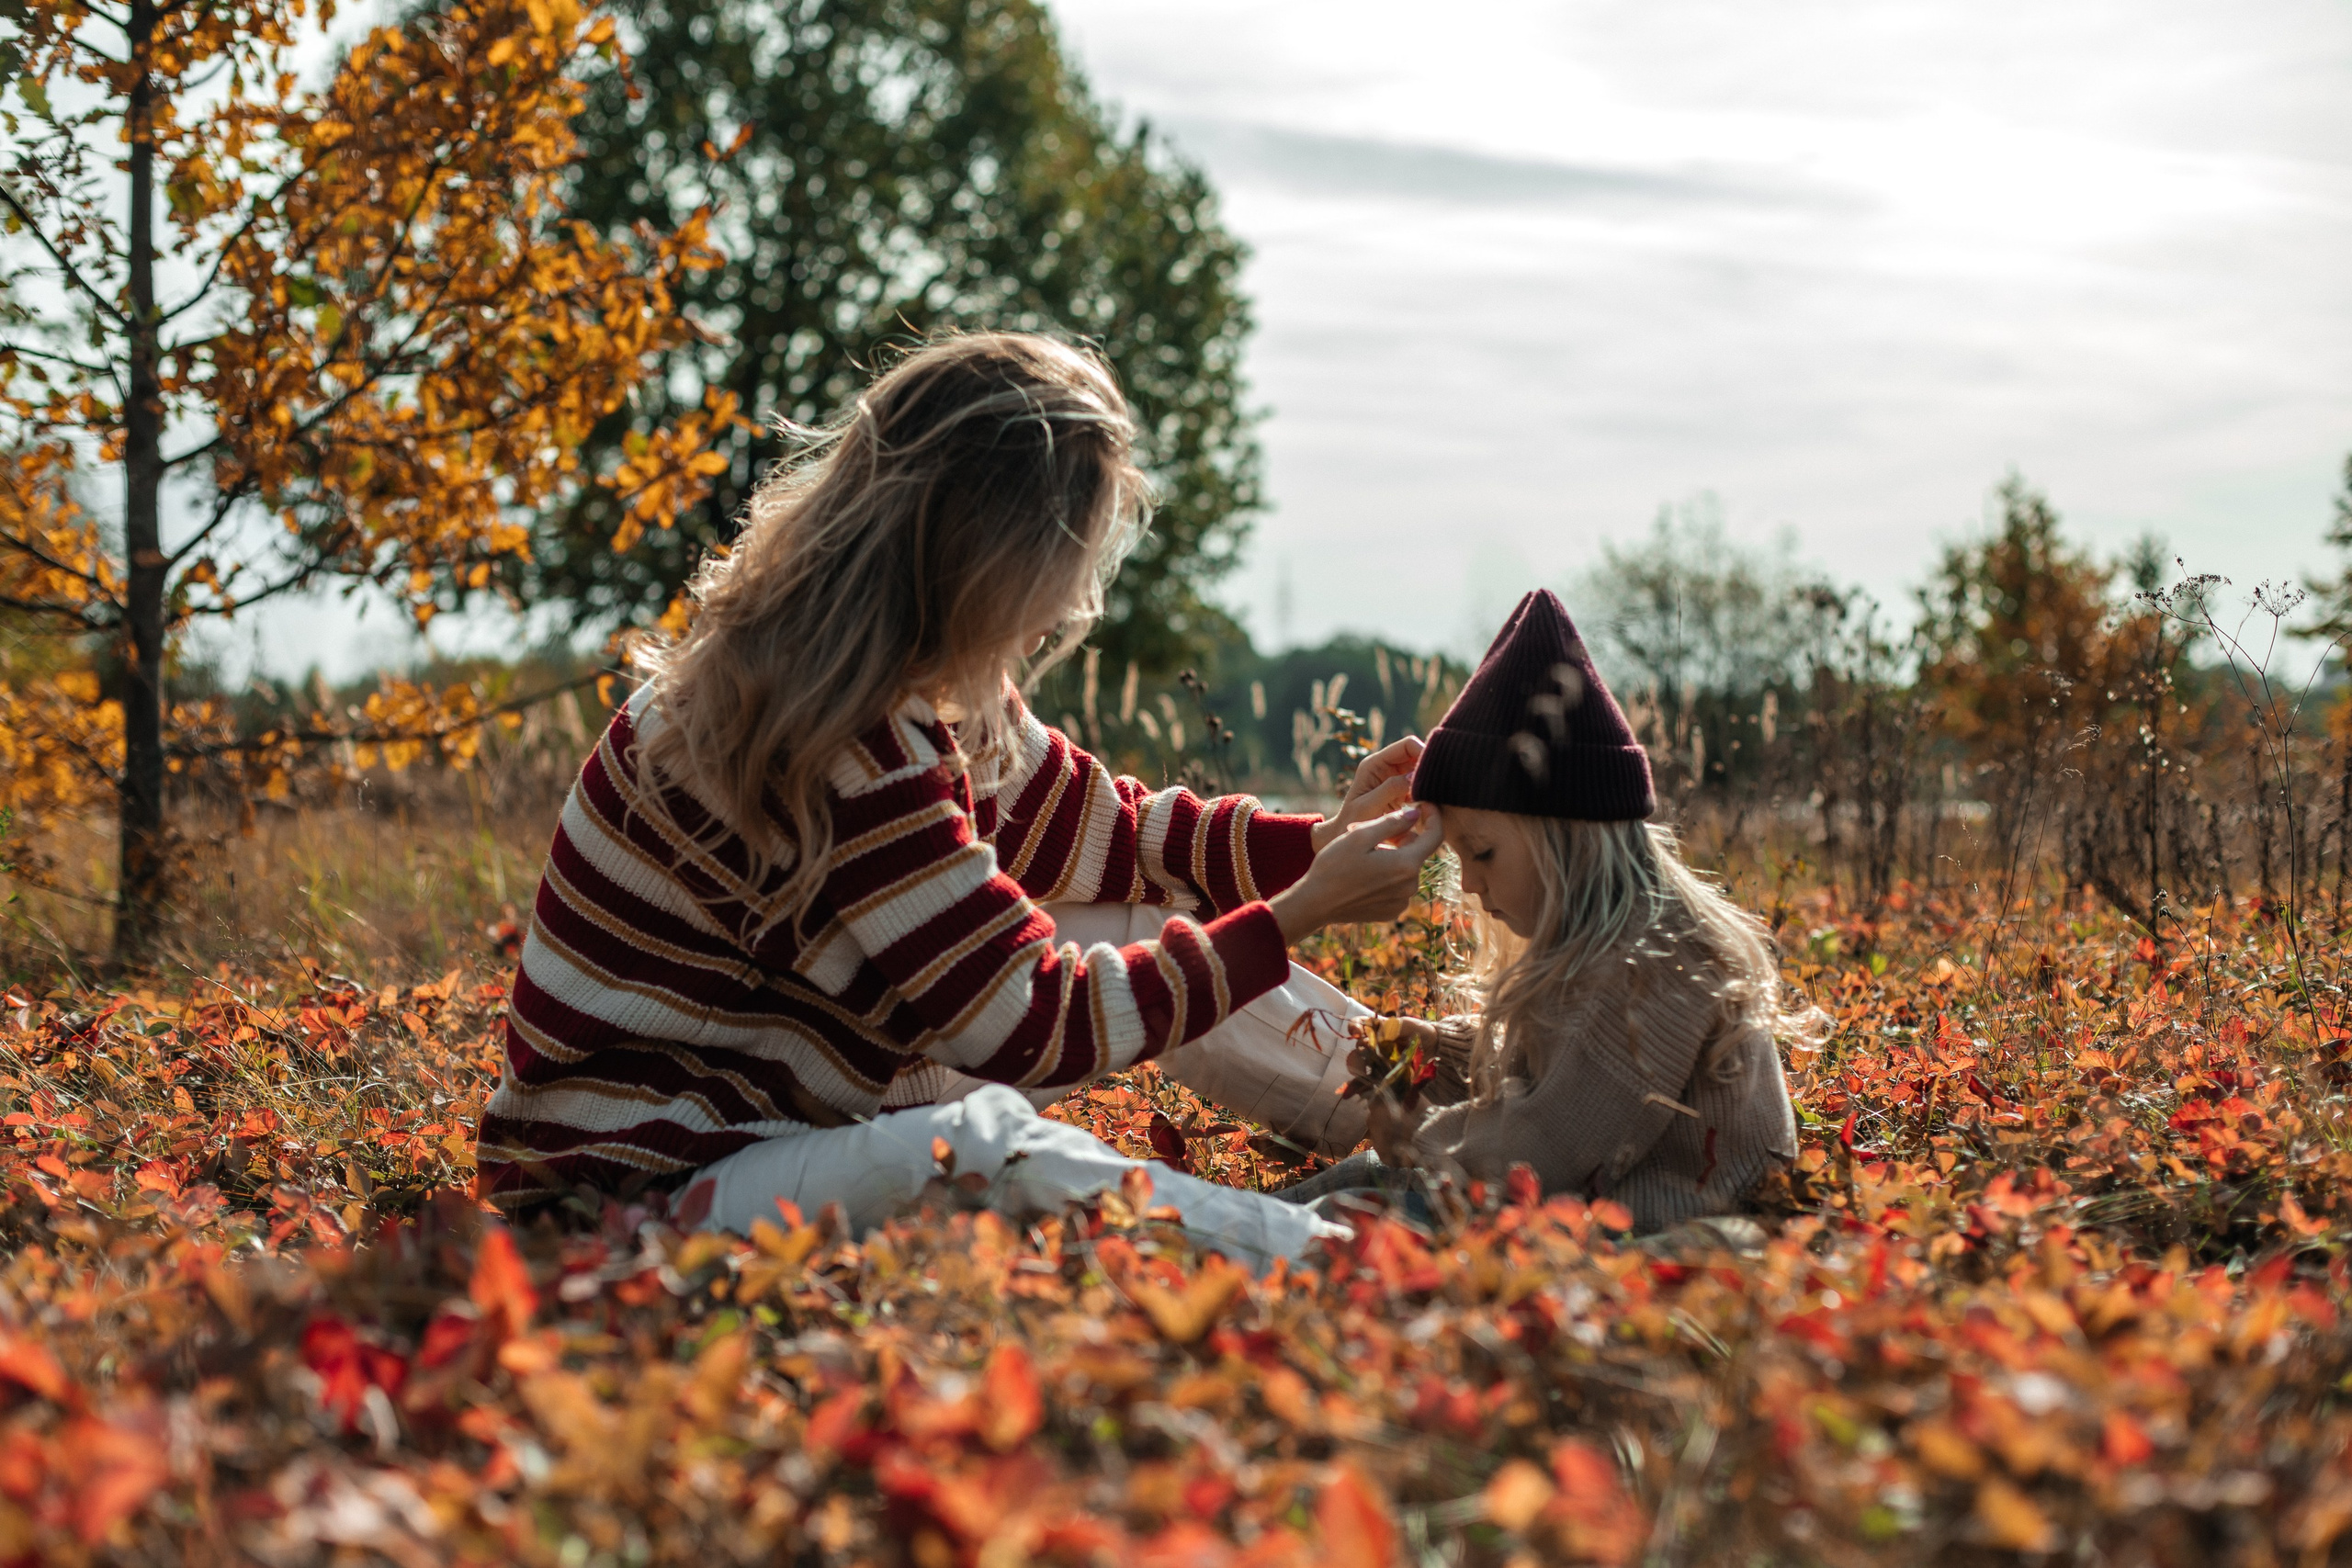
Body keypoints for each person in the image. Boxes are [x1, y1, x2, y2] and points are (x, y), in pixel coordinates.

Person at [475, 332, 1442, 1268]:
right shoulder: (843, 730)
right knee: (978, 1148)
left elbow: (1114, 832)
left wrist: (1317, 843)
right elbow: (1025, 1022)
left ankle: (1448, 1135)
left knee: (1143, 914)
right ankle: (1332, 1263)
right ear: (990, 560)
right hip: (638, 1190)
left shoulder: (914, 680)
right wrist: (1302, 911)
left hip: (793, 1115)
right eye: (1063, 573)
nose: (1068, 612)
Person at [1280, 589, 1801, 1233]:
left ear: (1566, 841)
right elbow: (1552, 1066)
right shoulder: (1610, 949)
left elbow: (1544, 1144)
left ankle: (1227, 1240)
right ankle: (1238, 1223)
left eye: (1483, 852)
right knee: (1363, 1183)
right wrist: (1437, 1053)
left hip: (1668, 1228)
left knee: (1379, 1206)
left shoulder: (1659, 966)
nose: (1468, 882)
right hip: (1585, 1203)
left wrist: (1415, 1139)